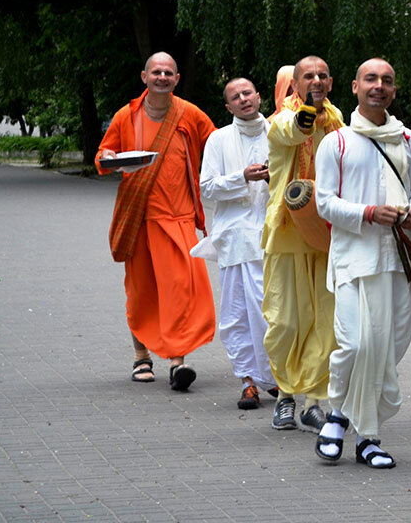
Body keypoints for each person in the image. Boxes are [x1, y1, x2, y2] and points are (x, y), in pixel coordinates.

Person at [313, 57, 411, 469]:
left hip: (399, 259)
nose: (378, 85)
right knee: (357, 344)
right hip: (354, 259)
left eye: (386, 80)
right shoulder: (337, 142)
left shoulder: (408, 139)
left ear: (394, 90)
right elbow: (324, 202)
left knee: (387, 349)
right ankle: (340, 417)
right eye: (370, 79)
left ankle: (365, 437)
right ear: (355, 87)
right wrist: (367, 213)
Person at [96, 51, 217, 390]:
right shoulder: (126, 115)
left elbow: (218, 144)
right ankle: (141, 356)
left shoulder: (190, 113)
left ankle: (178, 362)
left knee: (180, 290)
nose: (162, 77)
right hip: (138, 217)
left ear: (176, 79)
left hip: (179, 218)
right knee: (141, 292)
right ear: (144, 77)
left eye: (168, 73)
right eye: (156, 72)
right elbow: (104, 155)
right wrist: (109, 157)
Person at [261, 56, 344, 432]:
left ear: (332, 82)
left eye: (322, 75)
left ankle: (313, 401)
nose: (316, 80)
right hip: (286, 233)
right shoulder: (281, 119)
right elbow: (296, 130)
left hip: (327, 232)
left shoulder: (338, 120)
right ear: (294, 84)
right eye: (308, 76)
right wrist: (309, 106)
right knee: (285, 321)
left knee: (326, 321)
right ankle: (284, 395)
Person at [192, 77, 278, 410]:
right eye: (235, 96)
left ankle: (274, 376)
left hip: (274, 236)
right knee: (236, 312)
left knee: (271, 312)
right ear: (228, 106)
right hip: (235, 237)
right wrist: (242, 177)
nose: (243, 99)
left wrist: (274, 177)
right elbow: (207, 188)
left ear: (259, 96)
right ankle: (247, 380)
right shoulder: (218, 139)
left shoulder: (280, 133)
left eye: (247, 93)